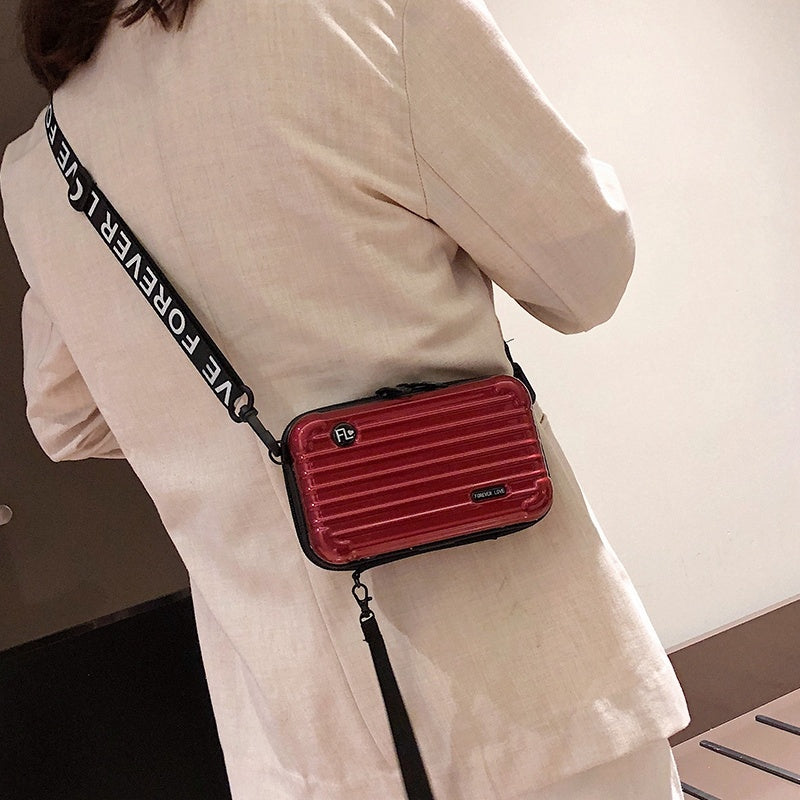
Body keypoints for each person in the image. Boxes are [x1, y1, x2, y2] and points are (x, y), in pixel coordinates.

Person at [2, 0, 690, 797]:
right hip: (535, 702)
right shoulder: (360, 15)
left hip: (299, 747)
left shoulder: (40, 167)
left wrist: (196, 426)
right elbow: (587, 273)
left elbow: (69, 419)